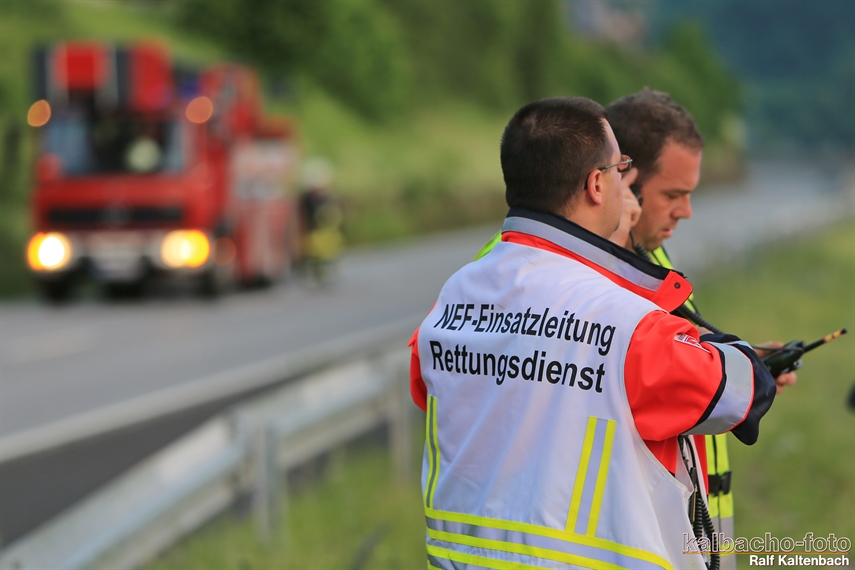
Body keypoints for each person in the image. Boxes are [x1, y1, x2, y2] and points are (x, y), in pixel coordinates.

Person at [409, 96, 776, 569]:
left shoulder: (453, 297)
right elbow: (738, 391)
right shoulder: (626, 321)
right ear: (597, 184)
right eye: (621, 168)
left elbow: (441, 390)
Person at [606, 88, 797, 569]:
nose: (686, 211)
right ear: (621, 182)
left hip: (697, 530)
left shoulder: (653, 257)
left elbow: (668, 355)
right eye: (673, 195)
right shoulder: (587, 277)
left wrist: (740, 361)